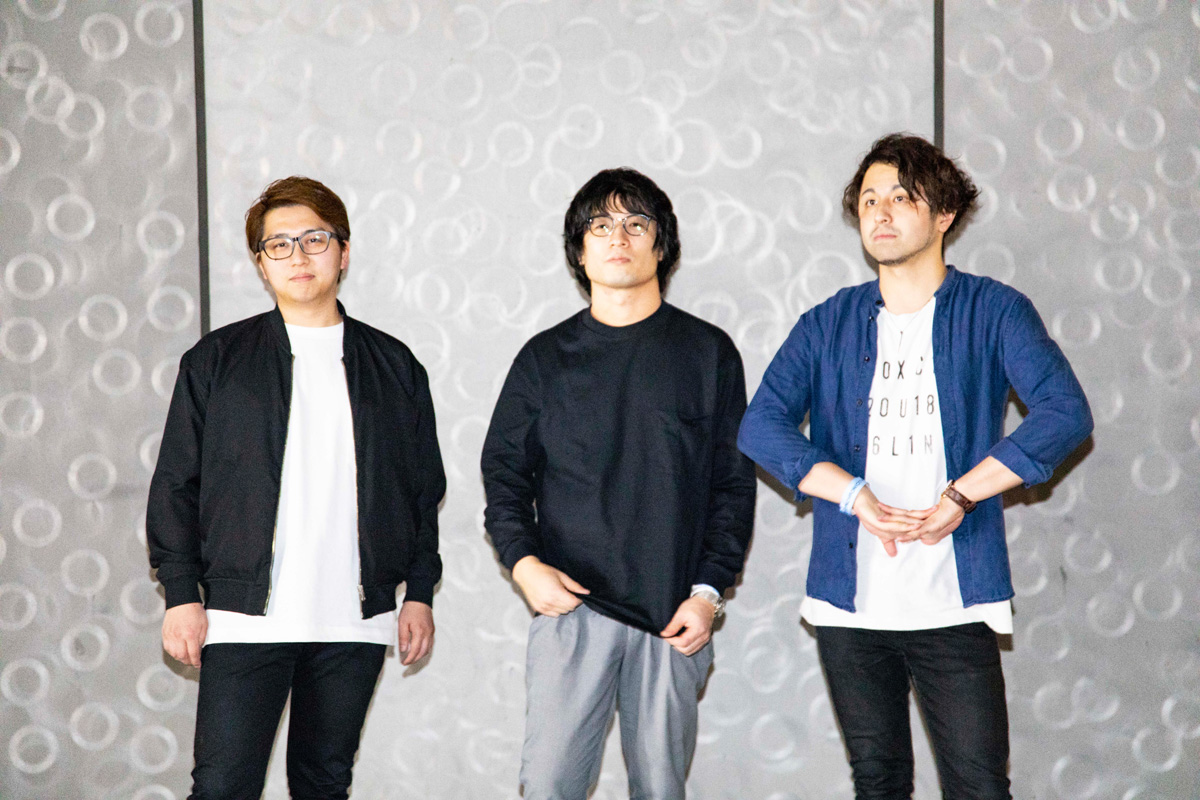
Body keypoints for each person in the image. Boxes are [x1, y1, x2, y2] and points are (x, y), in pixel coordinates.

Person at [737, 133, 1092, 799]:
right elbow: (760, 426)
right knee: (877, 784)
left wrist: (963, 494)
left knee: (979, 786)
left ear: (945, 214)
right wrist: (853, 495)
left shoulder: (993, 311)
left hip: (953, 597)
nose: (881, 211)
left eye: (901, 197)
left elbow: (1065, 413)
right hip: (850, 606)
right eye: (869, 199)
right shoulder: (827, 323)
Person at [146, 176, 445, 800]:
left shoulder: (394, 366)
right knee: (223, 786)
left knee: (324, 784)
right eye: (278, 244)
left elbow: (422, 491)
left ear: (344, 250)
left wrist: (418, 593)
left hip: (354, 619)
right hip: (243, 616)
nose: (299, 256)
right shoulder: (217, 361)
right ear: (261, 263)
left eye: (315, 239)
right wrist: (180, 594)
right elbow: (176, 483)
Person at [481, 168, 756, 800]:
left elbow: (733, 486)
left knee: (660, 788)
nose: (618, 237)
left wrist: (708, 593)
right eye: (600, 225)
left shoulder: (708, 353)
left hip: (673, 611)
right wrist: (524, 564)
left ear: (662, 245)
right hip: (572, 606)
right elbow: (503, 473)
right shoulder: (544, 359)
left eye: (636, 223)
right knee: (548, 784)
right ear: (579, 250)